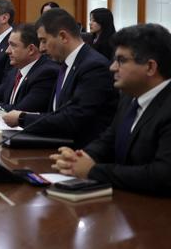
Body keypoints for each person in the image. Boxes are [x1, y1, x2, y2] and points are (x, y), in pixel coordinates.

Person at [50, 24, 171, 195]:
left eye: (121, 60)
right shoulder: (129, 97)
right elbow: (109, 139)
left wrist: (92, 171)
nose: (112, 67)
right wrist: (81, 157)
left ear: (150, 67)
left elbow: (163, 175)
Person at [2, 8, 118, 147]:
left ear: (63, 36)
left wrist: (22, 118)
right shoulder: (65, 65)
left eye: (44, 41)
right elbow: (55, 112)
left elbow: (73, 118)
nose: (41, 48)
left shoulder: (93, 67)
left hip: (80, 151)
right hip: (56, 145)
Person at [0, 23, 59, 113]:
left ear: (31, 49)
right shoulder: (16, 69)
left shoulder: (46, 73)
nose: (7, 51)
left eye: (13, 45)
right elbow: (0, 92)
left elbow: (21, 111)